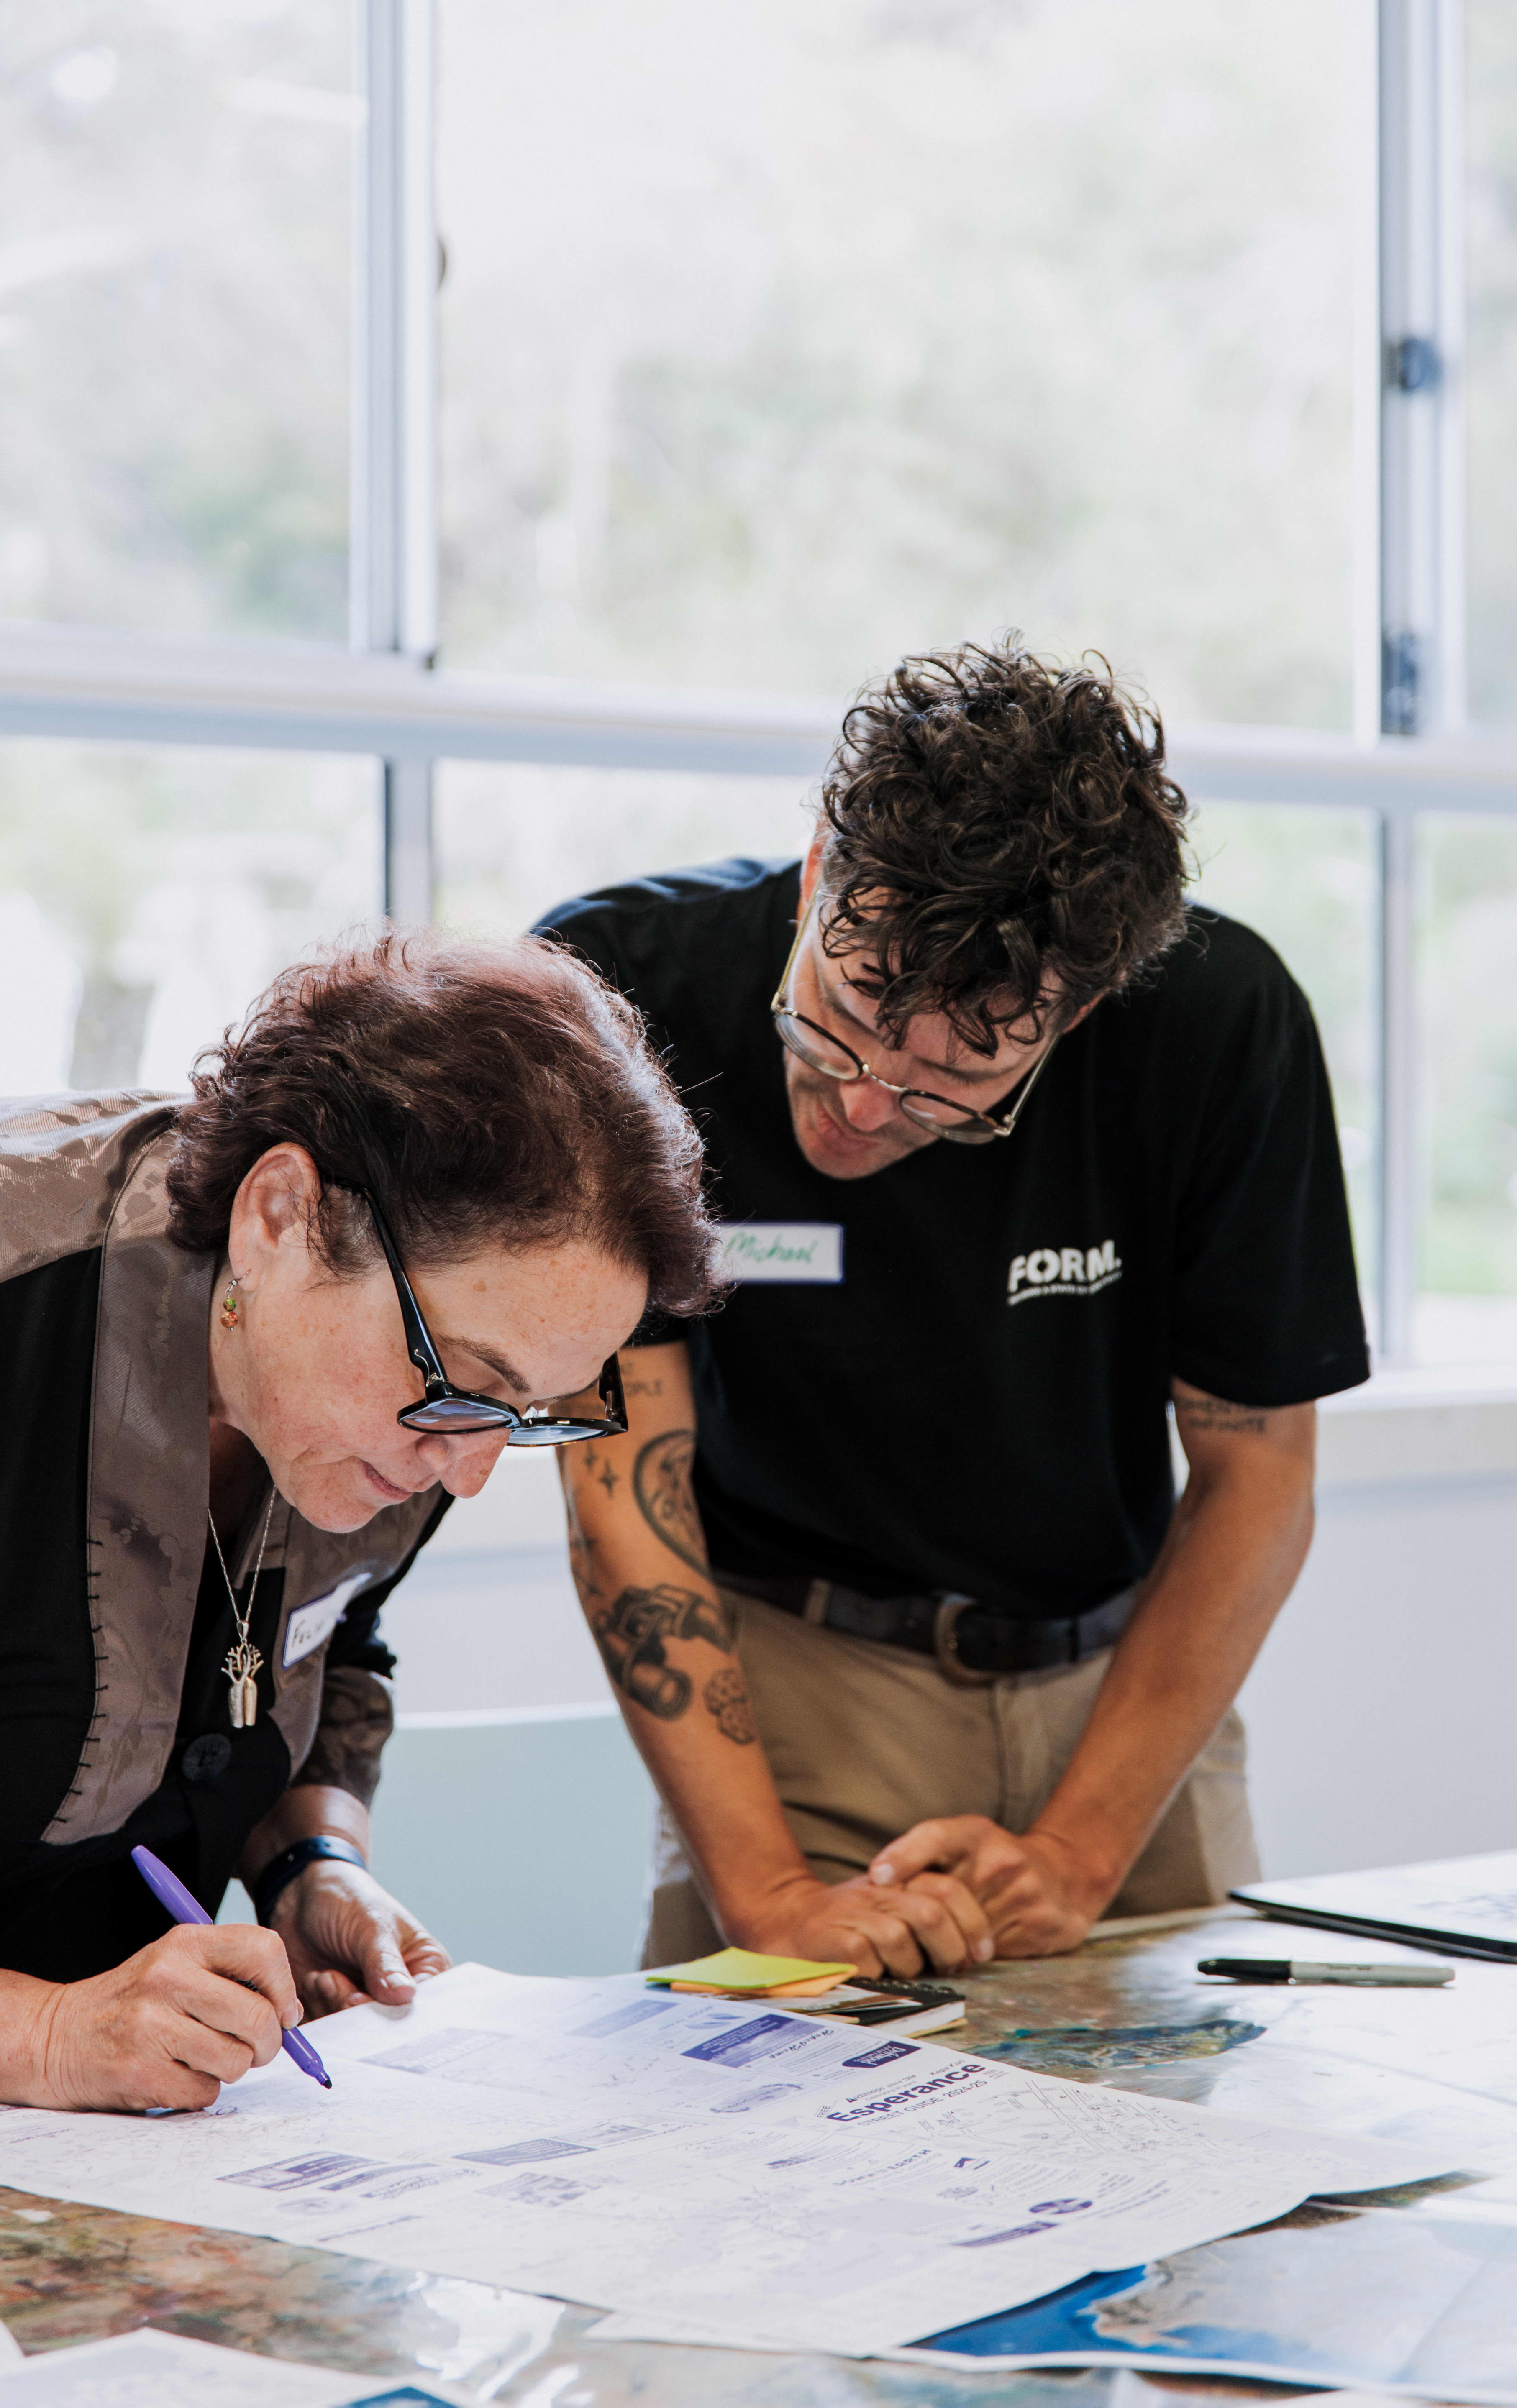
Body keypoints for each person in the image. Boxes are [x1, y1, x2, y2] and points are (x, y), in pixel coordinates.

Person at [543, 639, 1369, 1978]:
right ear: (819, 868)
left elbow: (1260, 1467)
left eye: (957, 1078)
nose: (865, 1103)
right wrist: (764, 1894)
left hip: (1130, 1703)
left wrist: (1082, 1854)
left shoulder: (1224, 1030)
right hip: (795, 1699)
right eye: (847, 1006)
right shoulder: (621, 1004)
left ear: (1083, 1010)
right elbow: (622, 1481)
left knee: (1192, 2139)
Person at [0, 929, 720, 2111]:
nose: (473, 1473)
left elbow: (316, 1652)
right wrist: (46, 2037)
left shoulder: (404, 1428)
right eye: (465, 1382)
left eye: (529, 1413)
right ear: (279, 1215)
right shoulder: (22, 1296)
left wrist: (309, 1864)